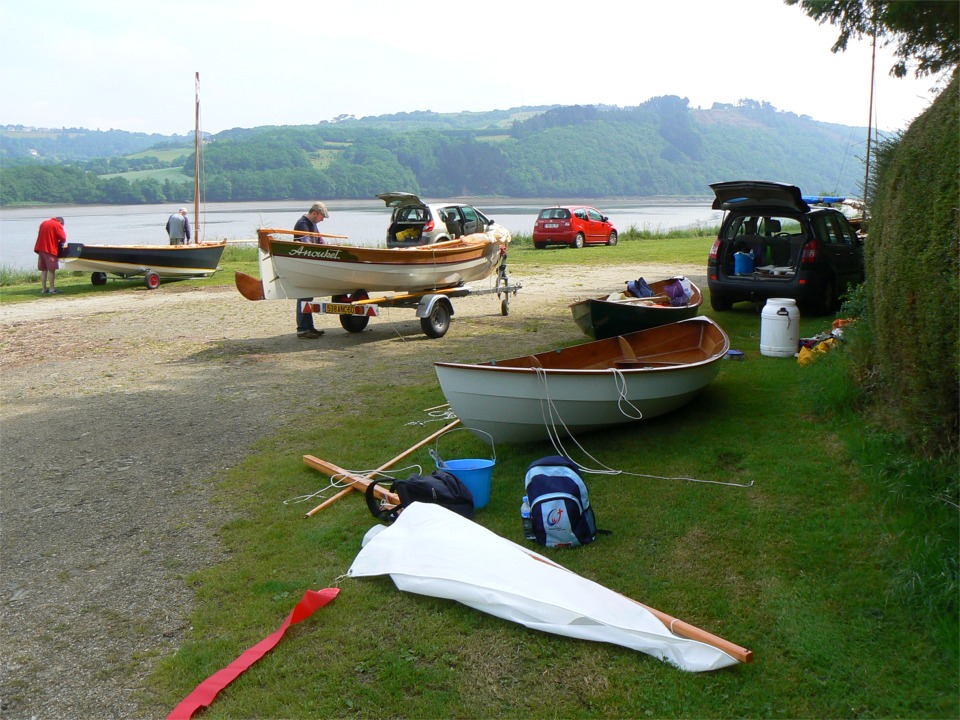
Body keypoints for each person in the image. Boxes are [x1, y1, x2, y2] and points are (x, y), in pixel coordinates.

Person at [293, 202, 329, 339]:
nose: (322, 219)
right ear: (314, 213)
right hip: (303, 265)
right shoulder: (302, 224)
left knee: (308, 296)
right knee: (303, 296)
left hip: (310, 265)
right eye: (321, 216)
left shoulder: (313, 224)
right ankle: (302, 329)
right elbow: (306, 245)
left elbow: (320, 241)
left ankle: (309, 327)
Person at [34, 216, 67, 294]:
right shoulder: (57, 224)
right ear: (61, 222)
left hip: (40, 249)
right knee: (51, 270)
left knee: (44, 270)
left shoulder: (43, 223)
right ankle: (52, 289)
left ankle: (44, 289)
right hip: (50, 249)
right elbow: (63, 238)